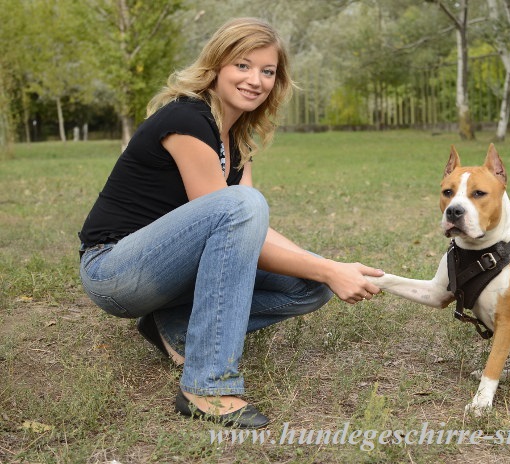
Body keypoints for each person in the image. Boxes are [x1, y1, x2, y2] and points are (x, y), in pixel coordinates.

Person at [78, 17, 383, 429]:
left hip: (168, 274)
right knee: (246, 205)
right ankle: (205, 386)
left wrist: (329, 269)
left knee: (310, 285)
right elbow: (234, 213)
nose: (255, 80)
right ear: (217, 65)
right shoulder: (187, 120)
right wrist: (328, 267)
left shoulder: (236, 138)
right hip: (115, 270)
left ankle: (174, 328)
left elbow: (248, 232)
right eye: (243, 65)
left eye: (267, 71)